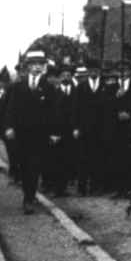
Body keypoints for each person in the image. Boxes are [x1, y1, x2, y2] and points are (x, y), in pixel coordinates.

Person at [5, 50, 58, 214]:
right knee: (23, 166)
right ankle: (29, 192)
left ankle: (28, 198)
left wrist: (54, 132)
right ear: (28, 67)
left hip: (39, 134)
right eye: (33, 64)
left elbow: (54, 112)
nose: (36, 67)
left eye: (40, 64)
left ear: (43, 67)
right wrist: (9, 127)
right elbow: (11, 109)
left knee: (34, 166)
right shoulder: (18, 86)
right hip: (21, 134)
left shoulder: (48, 88)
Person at [110, 62, 131, 198]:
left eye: (125, 70)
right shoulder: (111, 87)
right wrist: (115, 98)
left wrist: (130, 114)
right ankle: (119, 188)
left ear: (130, 72)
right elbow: (104, 106)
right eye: (120, 70)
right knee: (117, 158)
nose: (123, 73)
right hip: (116, 127)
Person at [72, 62, 105, 195]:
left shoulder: (104, 87)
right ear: (88, 71)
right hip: (84, 129)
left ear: (99, 71)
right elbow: (75, 109)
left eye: (96, 70)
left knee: (97, 159)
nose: (93, 72)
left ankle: (95, 187)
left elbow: (107, 110)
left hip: (99, 129)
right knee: (82, 159)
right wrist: (76, 127)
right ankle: (82, 188)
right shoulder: (81, 87)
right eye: (91, 70)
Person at [50, 63, 77, 196]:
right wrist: (53, 133)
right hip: (57, 132)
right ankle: (56, 188)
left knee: (68, 160)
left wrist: (76, 128)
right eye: (64, 75)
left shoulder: (76, 91)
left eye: (68, 75)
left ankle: (64, 187)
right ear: (60, 78)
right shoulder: (54, 93)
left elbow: (78, 112)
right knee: (56, 160)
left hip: (70, 132)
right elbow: (50, 114)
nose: (66, 77)